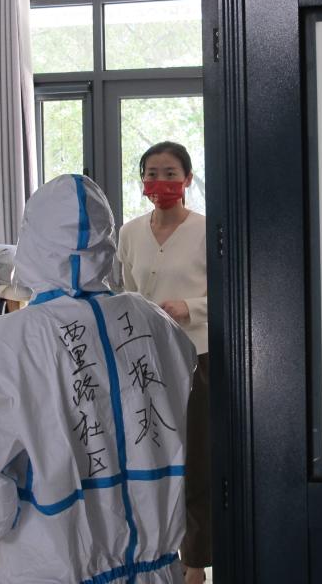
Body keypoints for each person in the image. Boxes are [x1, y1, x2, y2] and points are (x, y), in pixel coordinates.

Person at [0, 174, 197, 584]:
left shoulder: (10, 338)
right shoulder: (154, 321)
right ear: (107, 243)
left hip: (51, 565)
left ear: (32, 243)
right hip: (155, 566)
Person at [116, 142, 209, 584]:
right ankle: (155, 551)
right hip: (145, 361)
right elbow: (125, 292)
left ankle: (195, 561)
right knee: (149, 455)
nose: (161, 182)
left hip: (197, 358)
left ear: (187, 179)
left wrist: (191, 307)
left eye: (171, 173)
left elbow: (232, 291)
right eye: (152, 173)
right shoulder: (129, 233)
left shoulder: (207, 230)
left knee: (196, 460)